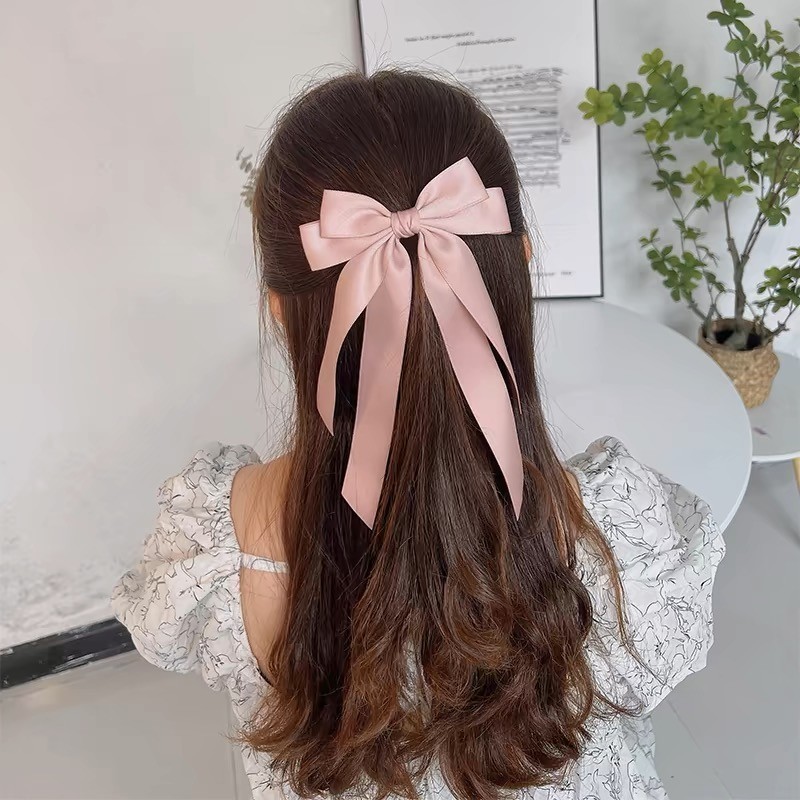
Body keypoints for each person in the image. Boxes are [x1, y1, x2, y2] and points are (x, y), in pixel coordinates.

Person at [112, 70, 725, 800]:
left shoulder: (219, 543)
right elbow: (654, 673)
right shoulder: (615, 535)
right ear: (520, 266)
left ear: (279, 308)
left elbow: (165, 640)